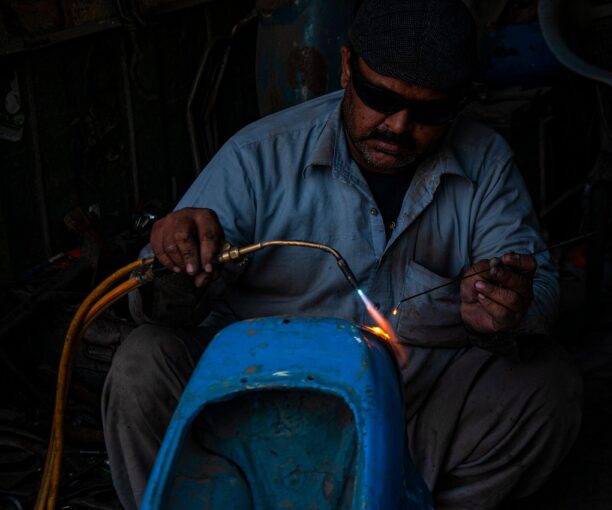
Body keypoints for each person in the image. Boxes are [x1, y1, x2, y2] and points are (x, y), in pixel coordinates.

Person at [103, 0, 582, 508]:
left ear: (460, 102)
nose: (398, 126)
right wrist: (179, 271)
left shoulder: (484, 162)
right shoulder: (259, 156)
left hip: (407, 414)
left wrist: (508, 312)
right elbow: (151, 304)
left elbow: (542, 291)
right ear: (346, 65)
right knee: (143, 363)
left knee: (546, 385)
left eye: (429, 111)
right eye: (379, 97)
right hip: (256, 407)